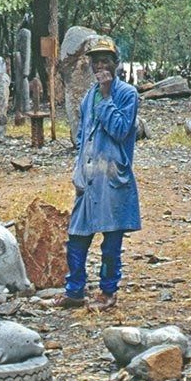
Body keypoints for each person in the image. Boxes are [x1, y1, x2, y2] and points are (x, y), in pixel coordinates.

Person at [52, 36, 140, 312]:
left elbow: (120, 129)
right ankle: (75, 290)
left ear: (116, 64)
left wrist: (105, 95)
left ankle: (108, 291)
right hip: (89, 178)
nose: (101, 65)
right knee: (77, 236)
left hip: (112, 176)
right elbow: (82, 133)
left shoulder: (126, 94)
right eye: (96, 61)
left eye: (106, 61)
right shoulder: (89, 95)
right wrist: (79, 168)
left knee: (111, 239)